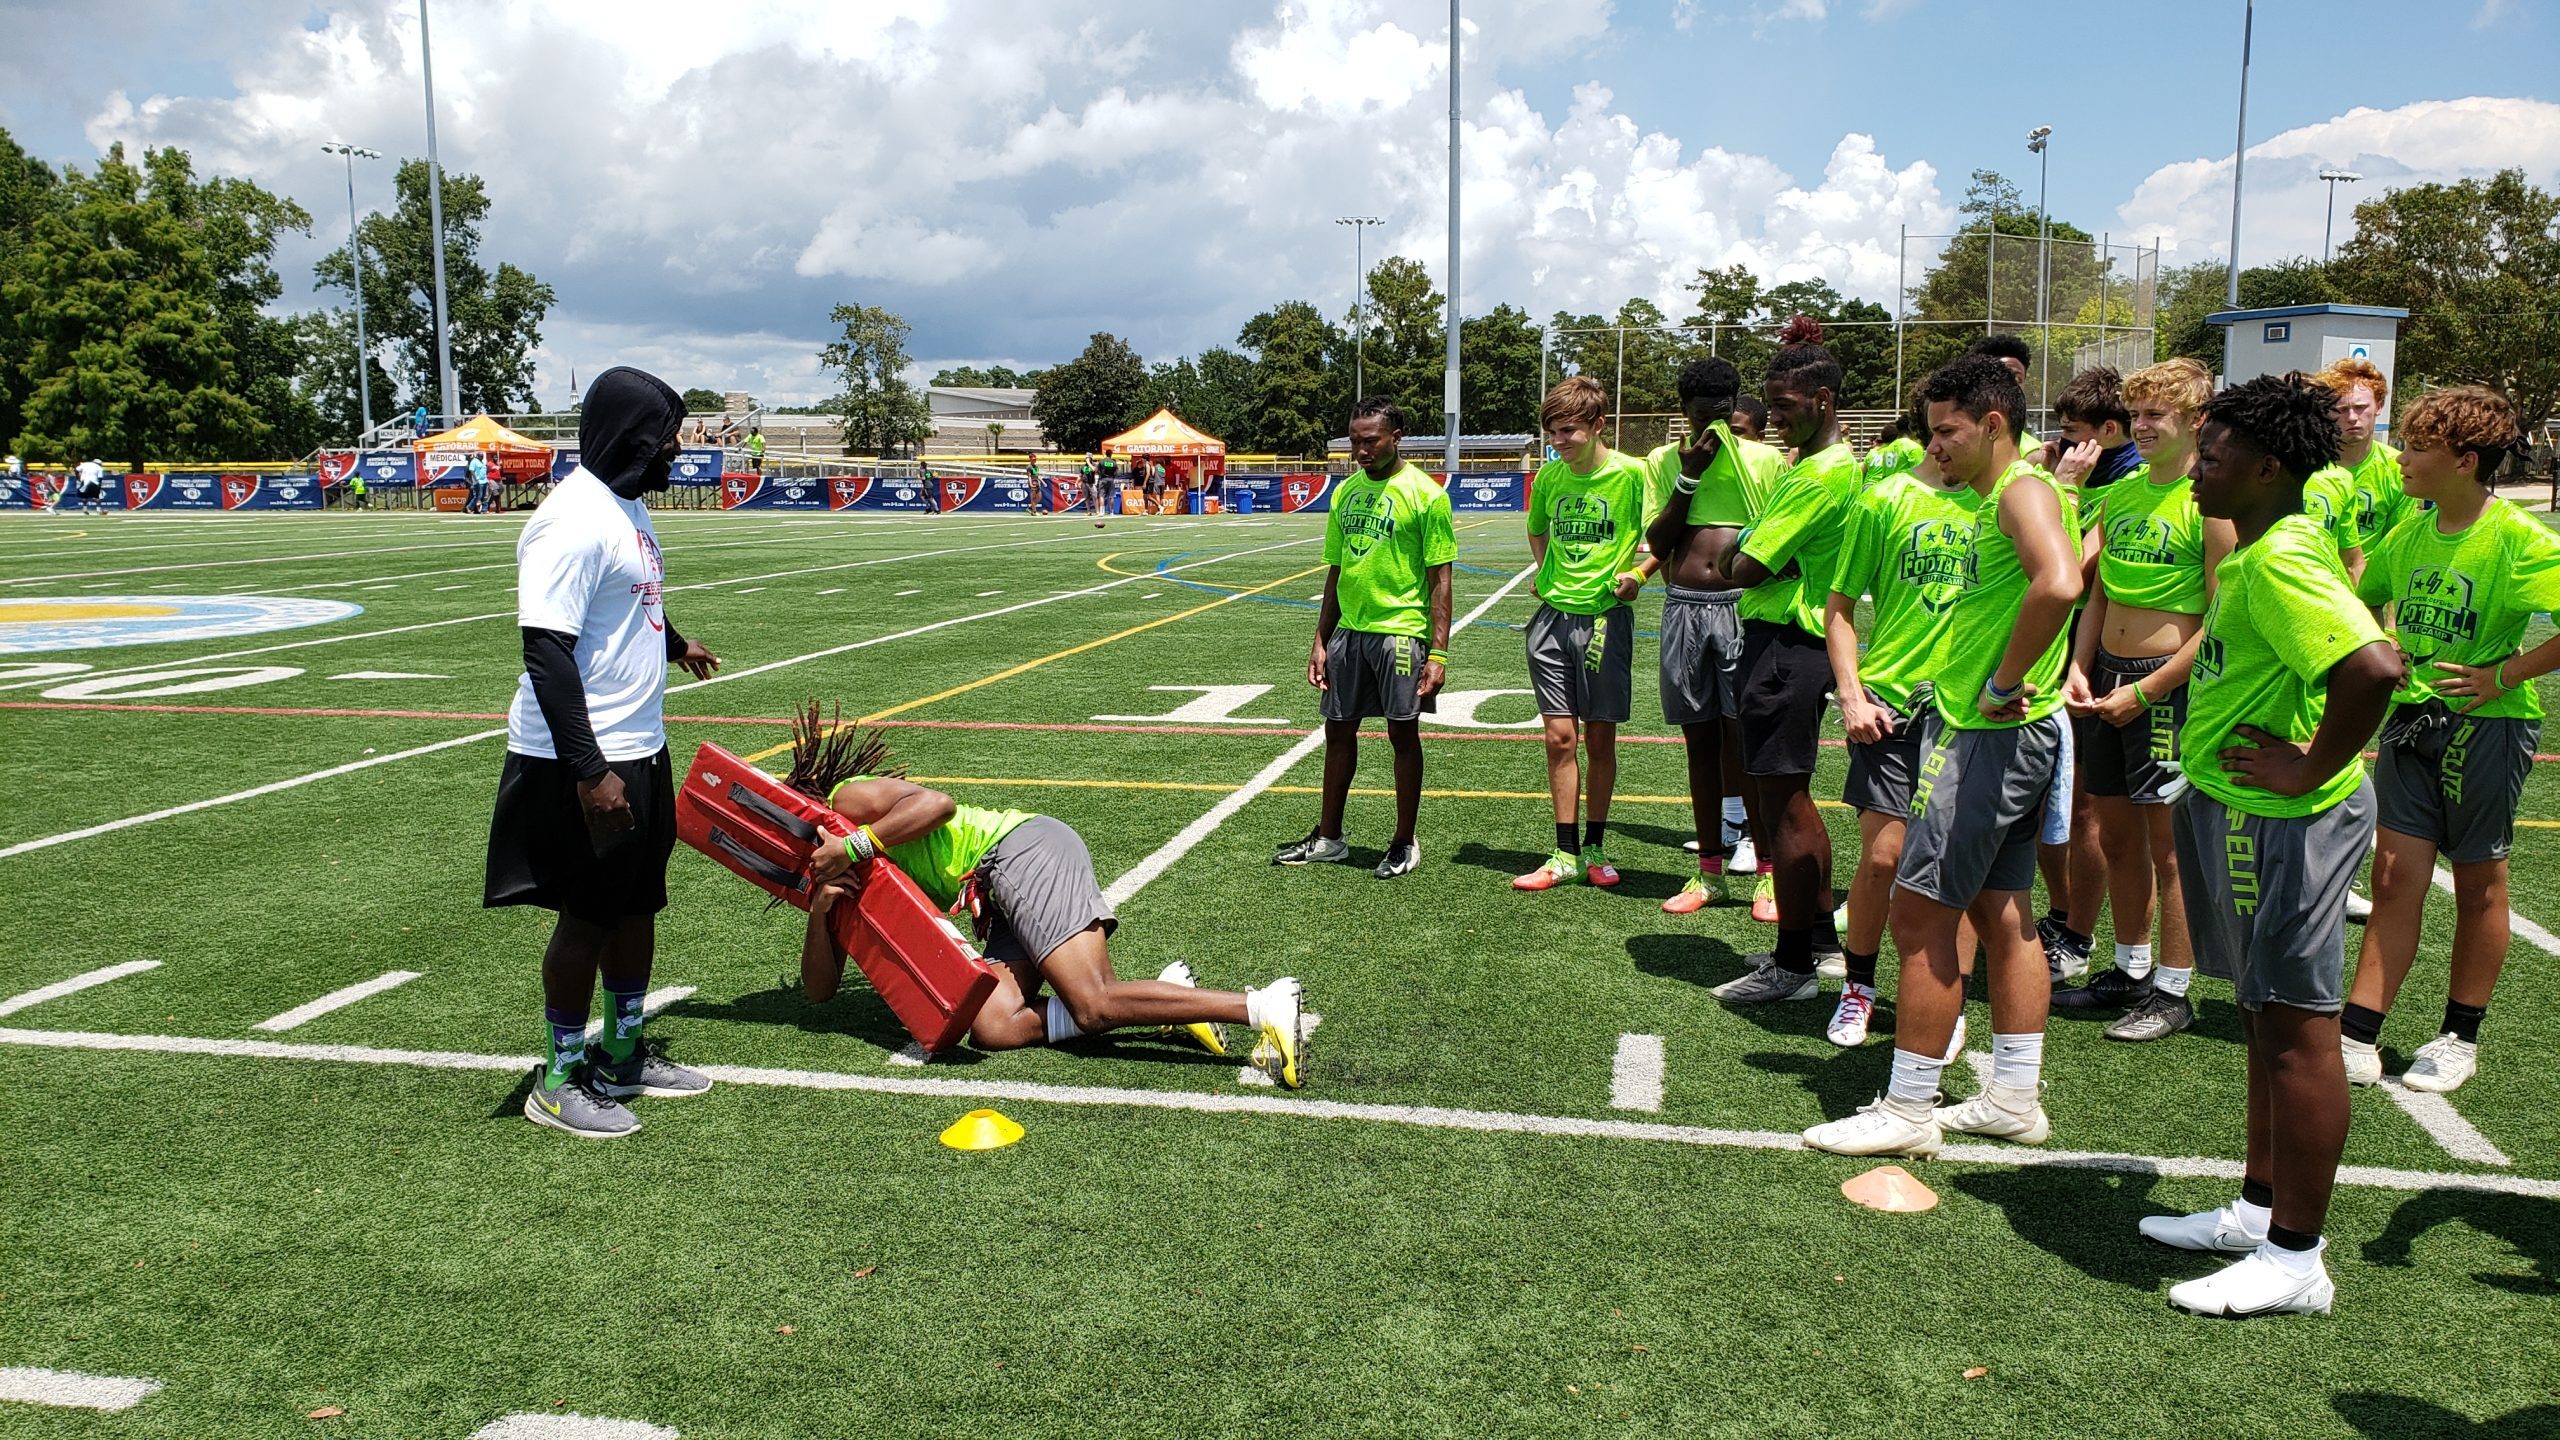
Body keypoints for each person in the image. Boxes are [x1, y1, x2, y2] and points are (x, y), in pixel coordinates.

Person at [2135, 373, 2402, 1318]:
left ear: (2269, 467)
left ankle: (2297, 1259)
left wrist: (2308, 766)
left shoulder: (2285, 556)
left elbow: (2374, 668)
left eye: (2214, 455)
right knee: (2261, 1017)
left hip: (2283, 822)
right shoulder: (2256, 553)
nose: (2197, 469)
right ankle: (2258, 1212)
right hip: (2236, 810)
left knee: (2297, 1028)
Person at [1802, 354, 2081, 1156]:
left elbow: (2059, 583)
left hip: (1989, 733)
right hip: (2005, 732)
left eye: (1948, 431)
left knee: (1923, 914)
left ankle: (1909, 1109)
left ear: (1994, 423)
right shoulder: (2021, 491)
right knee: (2006, 911)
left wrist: (2002, 680)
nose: (1937, 448)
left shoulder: (2022, 491)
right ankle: (2014, 1099)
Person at [485, 366, 724, 1139]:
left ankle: (620, 1052)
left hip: (639, 742)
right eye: (668, 437)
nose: (675, 451)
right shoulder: (571, 518)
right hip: (580, 758)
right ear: (635, 436)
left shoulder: (626, 507)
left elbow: (629, 601)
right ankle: (558, 1077)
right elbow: (546, 651)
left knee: (637, 902)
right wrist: (590, 771)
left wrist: (677, 642)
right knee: (588, 915)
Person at [807, 770, 1308, 1086]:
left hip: (1018, 850)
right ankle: (1169, 997)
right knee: (992, 1025)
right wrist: (819, 911)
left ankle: (1263, 1006)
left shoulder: (844, 803)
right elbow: (820, 991)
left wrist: (853, 846)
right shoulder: (826, 872)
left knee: (1094, 1005)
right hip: (998, 895)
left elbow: (938, 805)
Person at [2339, 387, 2556, 1095]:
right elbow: (2362, 601)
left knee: (2478, 883)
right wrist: (2385, 645)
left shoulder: (2517, 537)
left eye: (2420, 446)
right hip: (2411, 722)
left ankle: (2460, 1035)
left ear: (2465, 461)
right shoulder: (2412, 529)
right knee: (2395, 877)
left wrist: (2505, 673)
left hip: (2488, 729)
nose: (2403, 458)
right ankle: (2358, 1031)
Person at [2051, 358, 2233, 1043]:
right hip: (2106, 678)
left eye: (2159, 414)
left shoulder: (2207, 503)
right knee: (2114, 829)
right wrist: (2078, 664)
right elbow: (2097, 591)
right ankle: (2130, 967)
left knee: (2169, 844)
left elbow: (2217, 617)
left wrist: (2152, 688)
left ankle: (2174, 987)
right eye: (2140, 414)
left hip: (2165, 685)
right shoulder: (2122, 494)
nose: (2145, 426)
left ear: (2195, 422)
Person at [1708, 318, 1861, 997]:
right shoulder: (1827, 466)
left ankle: (1794, 964)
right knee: (1786, 800)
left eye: (1788, 407)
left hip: (1787, 646)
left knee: (1783, 804)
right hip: (1801, 641)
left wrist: (1741, 549)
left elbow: (1739, 565)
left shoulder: (1816, 477)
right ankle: (1819, 942)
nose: (1773, 421)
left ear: (1823, 399)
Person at [1819, 400, 1980, 1045]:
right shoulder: (1883, 499)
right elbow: (1838, 608)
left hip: (1969, 713)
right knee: (1884, 858)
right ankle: (1858, 985)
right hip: (1890, 708)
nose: (1943, 444)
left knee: (1955, 869)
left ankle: (1949, 998)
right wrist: (1853, 697)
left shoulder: (2008, 502)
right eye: (1937, 431)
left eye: (1954, 431)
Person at [1274, 397, 1455, 879]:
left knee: (1402, 733)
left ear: (1396, 437)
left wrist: (1438, 651)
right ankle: (1329, 837)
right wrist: (1320, 639)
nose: (1361, 450)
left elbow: (1441, 579)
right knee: (1337, 732)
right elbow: (1337, 571)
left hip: (1400, 633)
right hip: (1348, 633)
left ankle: (1403, 841)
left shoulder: (1426, 494)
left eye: (1370, 440)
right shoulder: (1346, 493)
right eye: (1354, 441)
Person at [1642, 357, 1783, 915]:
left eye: (1723, 414)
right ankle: (1708, 873)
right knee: (1699, 745)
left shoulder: (1765, 461)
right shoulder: (1664, 460)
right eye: (1703, 417)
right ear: (1684, 412)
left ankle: (1768, 872)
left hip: (1741, 608)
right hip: (1683, 608)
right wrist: (1689, 477)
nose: (1715, 426)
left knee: (1745, 745)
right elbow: (1658, 539)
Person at [1513, 375, 1656, 891]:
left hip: (1604, 621)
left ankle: (1595, 845)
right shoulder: (1552, 479)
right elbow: (1536, 527)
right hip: (1552, 618)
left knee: (1599, 738)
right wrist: (1543, 569)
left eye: (1568, 430)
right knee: (1558, 738)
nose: (1559, 442)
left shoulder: (1633, 475)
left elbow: (1663, 532)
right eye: (1552, 432)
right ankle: (1564, 851)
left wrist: (1639, 574)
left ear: (1598, 425)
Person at [2034, 366, 2150, 980]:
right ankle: (2069, 918)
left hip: (2117, 666)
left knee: (2092, 813)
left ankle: (2082, 936)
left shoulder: (2125, 485)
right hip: (2074, 655)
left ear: (2108, 430)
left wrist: (2061, 487)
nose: (2062, 443)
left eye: (2074, 433)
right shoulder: (2108, 477)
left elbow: (2067, 568)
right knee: (2068, 807)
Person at [466, 450, 490, 515]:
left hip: (485, 480)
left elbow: (486, 470)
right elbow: (471, 470)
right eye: (480, 456)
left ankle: (484, 509)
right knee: (478, 496)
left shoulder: (482, 462)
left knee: (485, 496)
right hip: (478, 481)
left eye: (482, 456)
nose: (482, 457)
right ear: (477, 456)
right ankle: (469, 507)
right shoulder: (474, 461)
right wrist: (476, 479)